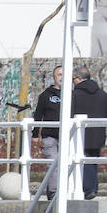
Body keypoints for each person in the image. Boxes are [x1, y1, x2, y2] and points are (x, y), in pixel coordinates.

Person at [71, 64, 107, 199]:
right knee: (92, 161)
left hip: (81, 134)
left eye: (73, 79)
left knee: (83, 161)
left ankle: (88, 189)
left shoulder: (75, 95)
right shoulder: (103, 95)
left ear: (79, 79)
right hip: (98, 134)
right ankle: (92, 188)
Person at [31, 65, 63, 194]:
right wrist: (35, 134)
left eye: (64, 74)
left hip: (67, 135)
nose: (62, 77)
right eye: (59, 74)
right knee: (53, 163)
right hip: (49, 135)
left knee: (68, 163)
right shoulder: (45, 96)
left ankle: (65, 191)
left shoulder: (72, 95)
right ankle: (53, 192)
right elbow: (38, 115)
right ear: (54, 77)